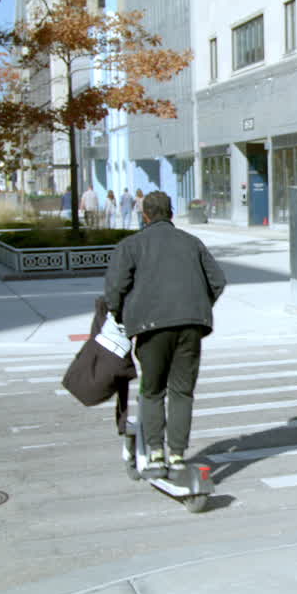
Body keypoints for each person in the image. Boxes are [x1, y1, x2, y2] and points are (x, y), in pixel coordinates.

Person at [104, 190, 226, 479]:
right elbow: (218, 281)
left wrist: (122, 315)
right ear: (171, 213)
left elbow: (115, 290)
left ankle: (156, 455)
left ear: (144, 215)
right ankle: (178, 455)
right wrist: (197, 306)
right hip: (191, 325)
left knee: (152, 390)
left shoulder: (131, 245)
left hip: (151, 329)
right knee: (182, 391)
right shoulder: (192, 243)